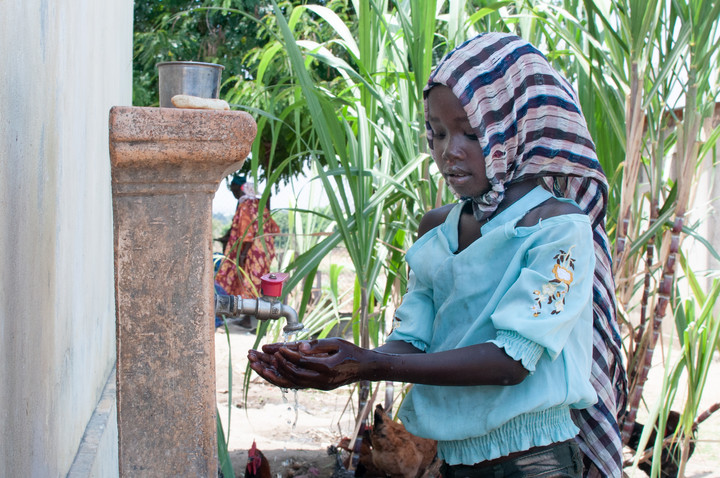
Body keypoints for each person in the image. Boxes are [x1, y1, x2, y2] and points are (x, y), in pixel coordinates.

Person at [248, 33, 626, 477]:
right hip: (456, 462)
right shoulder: (438, 231)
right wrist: (337, 361)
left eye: (471, 131)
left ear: (518, 128)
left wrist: (369, 364)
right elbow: (414, 341)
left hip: (534, 464)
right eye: (438, 132)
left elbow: (510, 362)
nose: (450, 150)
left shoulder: (559, 229)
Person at [215, 173, 280, 300]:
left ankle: (247, 316)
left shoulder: (245, 207)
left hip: (251, 253)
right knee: (257, 283)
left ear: (240, 190)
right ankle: (251, 317)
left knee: (247, 283)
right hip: (264, 254)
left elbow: (247, 233)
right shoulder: (261, 207)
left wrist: (243, 254)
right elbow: (274, 229)